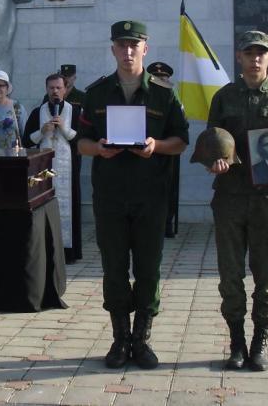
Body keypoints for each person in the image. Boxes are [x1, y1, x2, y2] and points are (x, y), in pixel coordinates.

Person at [77, 20, 189, 370]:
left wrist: (156, 145)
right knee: (113, 268)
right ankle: (119, 339)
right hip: (110, 196)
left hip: (150, 197)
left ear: (146, 48)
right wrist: (97, 148)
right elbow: (79, 143)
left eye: (134, 45)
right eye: (121, 45)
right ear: (113, 49)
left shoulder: (164, 93)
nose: (128, 51)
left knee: (148, 269)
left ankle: (141, 339)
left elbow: (181, 141)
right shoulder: (95, 94)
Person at [205, 30, 268, 372]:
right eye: (249, 52)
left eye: (262, 53)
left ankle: (259, 340)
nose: (255, 58)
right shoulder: (224, 97)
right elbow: (211, 141)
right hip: (229, 196)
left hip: (267, 199)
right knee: (230, 275)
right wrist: (214, 162)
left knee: (266, 276)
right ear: (239, 57)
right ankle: (236, 341)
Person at [23, 73, 80, 263]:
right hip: (43, 168)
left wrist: (64, 128)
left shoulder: (75, 111)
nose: (55, 91)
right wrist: (42, 132)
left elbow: (82, 140)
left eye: (58, 87)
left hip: (67, 168)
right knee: (42, 204)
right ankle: (45, 248)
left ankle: (68, 252)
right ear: (46, 89)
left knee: (68, 205)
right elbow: (25, 141)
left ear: (65, 89)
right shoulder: (37, 112)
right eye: (51, 88)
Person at [147, 61, 181, 239]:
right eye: (157, 77)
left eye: (164, 78)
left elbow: (181, 126)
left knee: (169, 187)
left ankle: (167, 221)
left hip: (168, 151)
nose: (160, 80)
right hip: (146, 152)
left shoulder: (173, 97)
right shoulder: (145, 96)